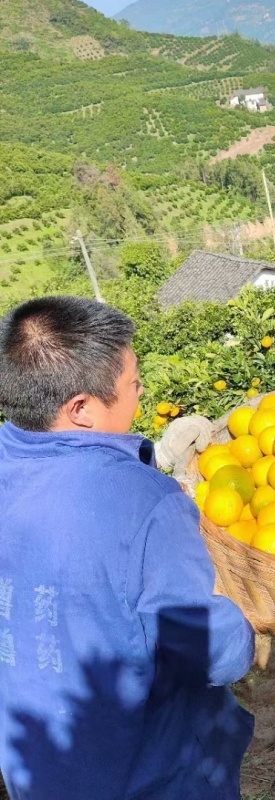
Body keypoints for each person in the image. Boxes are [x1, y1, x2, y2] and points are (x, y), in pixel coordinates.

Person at [0, 296, 255, 800]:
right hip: (146, 776)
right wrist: (246, 620)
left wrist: (149, 460)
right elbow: (210, 652)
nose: (141, 393)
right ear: (81, 409)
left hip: (37, 765)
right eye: (133, 384)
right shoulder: (146, 504)